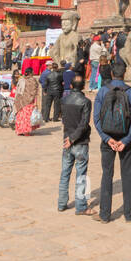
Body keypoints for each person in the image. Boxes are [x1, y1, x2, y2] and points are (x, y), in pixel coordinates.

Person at [92, 62, 131, 223]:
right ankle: (129, 214)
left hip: (108, 138)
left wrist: (107, 139)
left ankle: (105, 214)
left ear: (112, 74)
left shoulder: (103, 91)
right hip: (125, 137)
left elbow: (96, 119)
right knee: (127, 175)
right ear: (124, 74)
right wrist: (126, 140)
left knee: (107, 175)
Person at [58, 73, 91, 215]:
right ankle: (80, 205)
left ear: (71, 86)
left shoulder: (64, 100)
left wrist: (69, 138)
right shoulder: (85, 101)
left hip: (67, 140)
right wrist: (73, 138)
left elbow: (64, 120)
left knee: (65, 173)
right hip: (79, 141)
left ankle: (61, 203)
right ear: (83, 86)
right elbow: (84, 124)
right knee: (81, 175)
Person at [12, 70, 39, 136]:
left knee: (21, 115)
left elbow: (18, 90)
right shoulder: (33, 80)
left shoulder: (21, 80)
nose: (34, 73)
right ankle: (26, 131)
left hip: (20, 100)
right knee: (27, 116)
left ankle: (20, 131)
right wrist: (35, 101)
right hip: (29, 101)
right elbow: (34, 92)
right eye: (32, 72)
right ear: (30, 73)